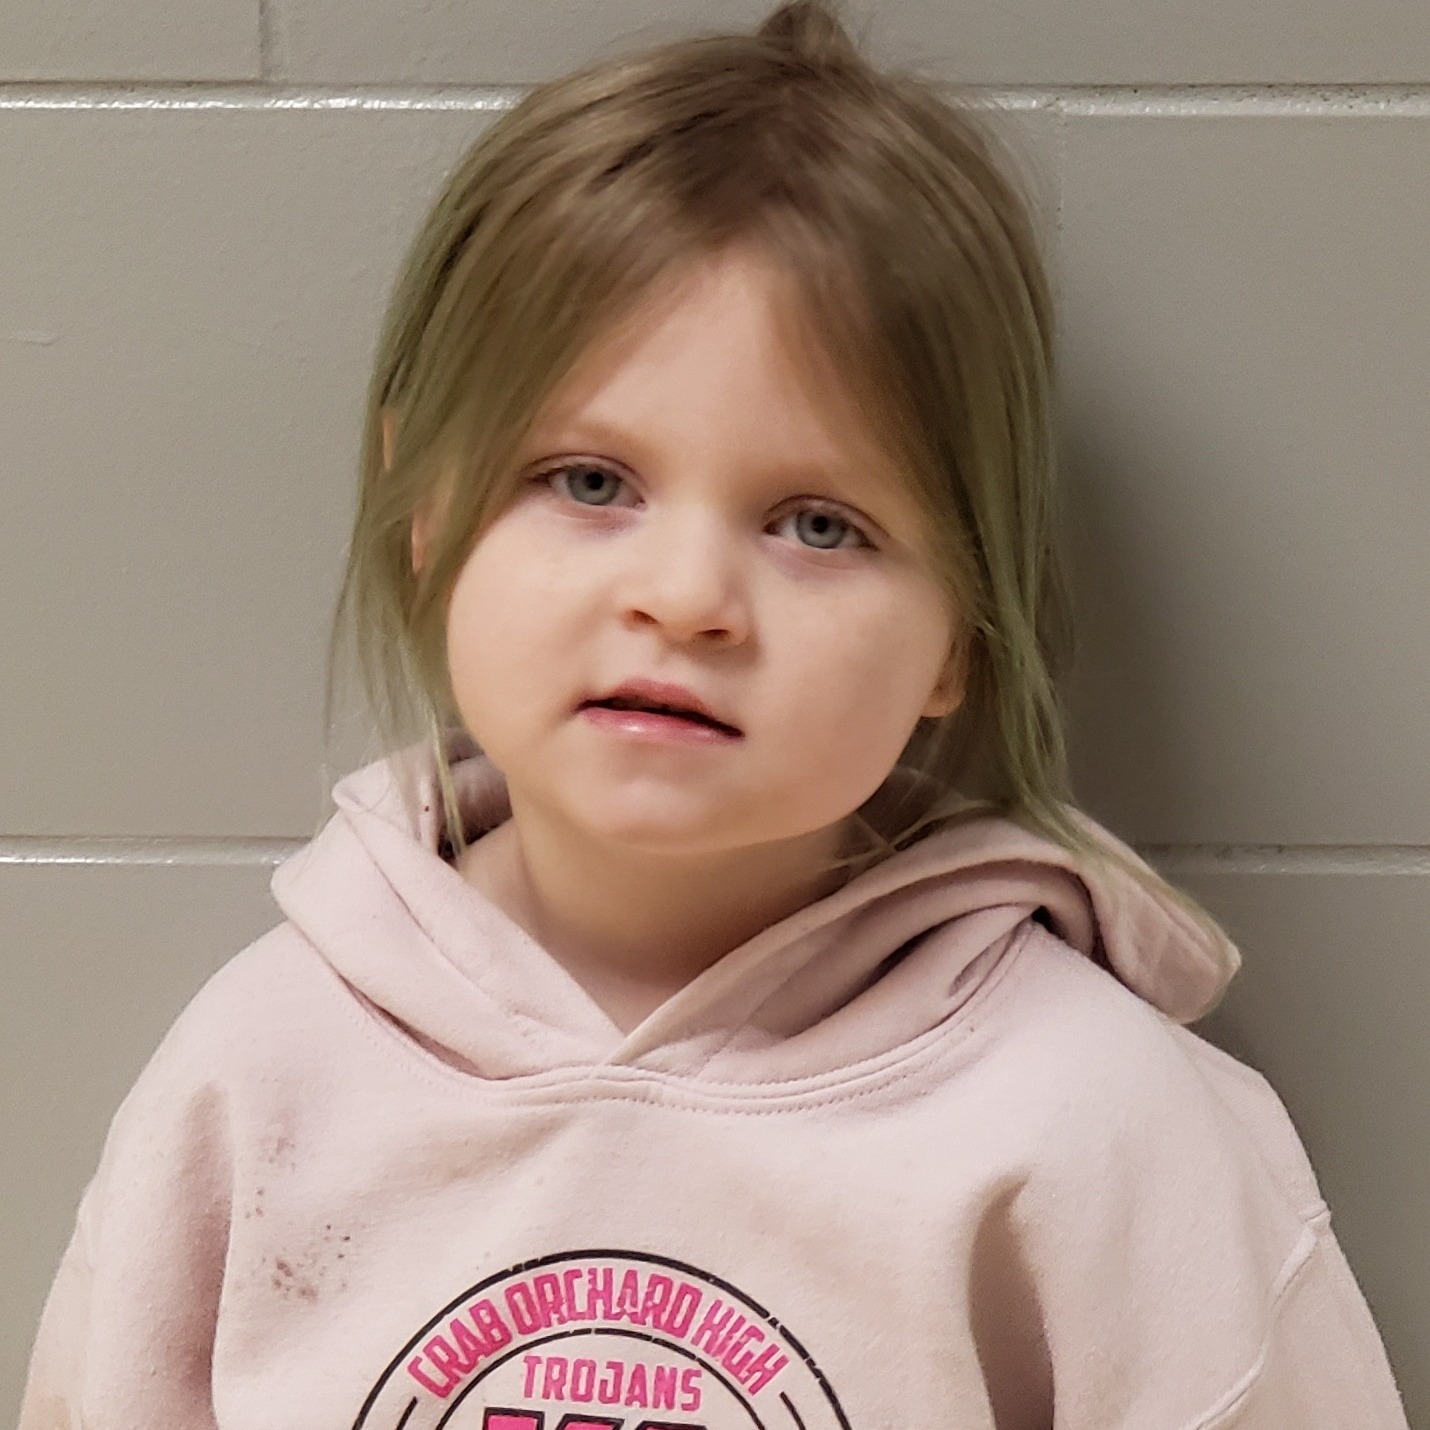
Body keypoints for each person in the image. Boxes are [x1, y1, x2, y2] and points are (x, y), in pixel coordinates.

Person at [18, 2, 1411, 1426]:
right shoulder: (256, 1074)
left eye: (817, 523)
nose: (686, 598)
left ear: (957, 639)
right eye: (588, 480)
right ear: (426, 516)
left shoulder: (1104, 1131)